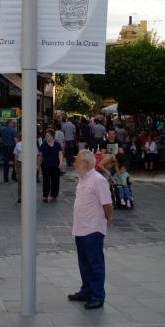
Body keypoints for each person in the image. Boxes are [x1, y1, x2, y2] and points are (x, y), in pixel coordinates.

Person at [68, 150, 113, 310]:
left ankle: (97, 296)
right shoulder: (83, 179)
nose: (74, 164)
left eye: (77, 161)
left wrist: (107, 219)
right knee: (84, 263)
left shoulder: (98, 180)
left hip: (93, 228)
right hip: (80, 228)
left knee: (95, 263)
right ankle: (86, 291)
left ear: (85, 163)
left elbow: (107, 204)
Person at [39, 130, 64, 202]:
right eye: (46, 136)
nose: (46, 137)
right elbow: (40, 155)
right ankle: (45, 195)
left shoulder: (57, 145)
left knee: (55, 180)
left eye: (48, 136)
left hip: (55, 165)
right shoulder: (43, 145)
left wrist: (60, 163)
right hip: (46, 165)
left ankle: (54, 195)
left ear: (52, 136)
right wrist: (38, 164)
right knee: (46, 180)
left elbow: (60, 154)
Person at [13, 136, 40, 203]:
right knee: (20, 180)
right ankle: (20, 196)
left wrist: (37, 165)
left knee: (30, 180)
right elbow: (16, 155)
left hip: (30, 164)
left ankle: (29, 196)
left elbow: (37, 155)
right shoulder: (18, 144)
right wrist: (15, 165)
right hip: (21, 163)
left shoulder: (33, 145)